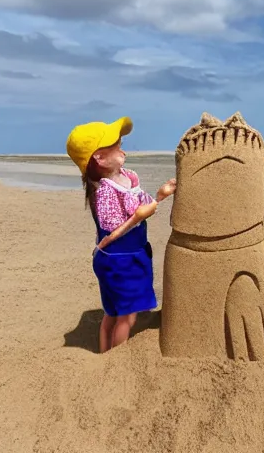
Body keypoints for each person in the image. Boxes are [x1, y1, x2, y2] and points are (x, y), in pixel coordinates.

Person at [66, 116, 176, 353]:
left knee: (114, 312)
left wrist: (159, 196)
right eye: (115, 144)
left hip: (131, 256)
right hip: (118, 260)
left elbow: (141, 204)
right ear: (100, 157)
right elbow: (115, 226)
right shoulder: (105, 191)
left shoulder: (128, 177)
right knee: (124, 317)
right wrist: (140, 215)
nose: (121, 145)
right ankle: (114, 359)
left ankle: (105, 353)